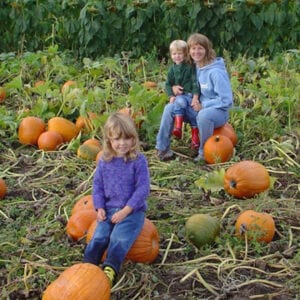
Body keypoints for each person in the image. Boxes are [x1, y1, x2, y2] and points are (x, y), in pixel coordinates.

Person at [83, 112, 150, 286]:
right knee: (99, 237)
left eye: (126, 138)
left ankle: (111, 267)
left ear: (133, 139)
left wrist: (127, 210)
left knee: (119, 238)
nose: (122, 143)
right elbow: (97, 186)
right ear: (109, 141)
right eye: (117, 139)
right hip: (108, 209)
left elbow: (143, 188)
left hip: (131, 212)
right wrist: (99, 208)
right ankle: (87, 267)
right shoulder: (104, 162)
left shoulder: (138, 161)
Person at [156, 33, 233, 162]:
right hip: (195, 108)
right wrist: (174, 88)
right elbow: (185, 84)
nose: (196, 52)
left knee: (204, 115)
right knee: (170, 108)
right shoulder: (195, 66)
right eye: (193, 48)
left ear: (207, 50)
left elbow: (226, 100)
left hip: (217, 112)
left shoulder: (216, 73)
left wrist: (203, 106)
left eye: (200, 48)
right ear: (189, 51)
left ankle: (204, 153)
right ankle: (163, 149)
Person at [156, 40, 201, 161]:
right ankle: (163, 148)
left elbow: (195, 84)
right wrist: (171, 92)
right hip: (182, 101)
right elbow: (168, 84)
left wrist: (196, 98)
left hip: (196, 105)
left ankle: (199, 148)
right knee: (169, 107)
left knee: (181, 104)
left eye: (180, 53)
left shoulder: (194, 67)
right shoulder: (173, 69)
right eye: (174, 54)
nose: (177, 56)